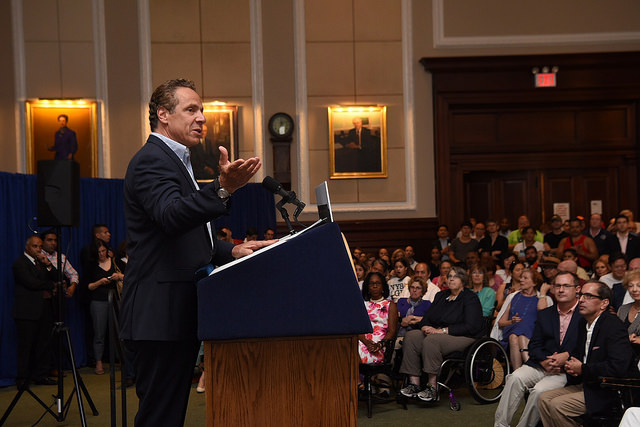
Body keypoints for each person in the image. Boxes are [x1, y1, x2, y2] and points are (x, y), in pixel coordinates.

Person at [120, 78, 274, 426]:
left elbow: (190, 239)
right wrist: (222, 188)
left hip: (174, 314)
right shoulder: (151, 160)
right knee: (159, 416)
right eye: (191, 109)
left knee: (169, 415)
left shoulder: (178, 161)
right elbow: (171, 216)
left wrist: (232, 251)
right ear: (163, 115)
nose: (201, 117)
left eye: (201, 110)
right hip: (159, 316)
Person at [538, 281, 634, 425]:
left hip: (610, 390)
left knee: (558, 405)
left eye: (588, 296)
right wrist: (569, 366)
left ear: (604, 303)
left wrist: (582, 368)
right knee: (543, 399)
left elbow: (618, 367)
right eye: (581, 295)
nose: (581, 299)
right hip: (589, 384)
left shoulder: (613, 326)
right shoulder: (583, 323)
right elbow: (579, 356)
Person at [494, 271, 582, 427]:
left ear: (577, 289)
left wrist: (565, 358)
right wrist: (544, 360)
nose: (561, 290)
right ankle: (500, 425)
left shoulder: (584, 315)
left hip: (566, 370)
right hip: (540, 364)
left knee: (539, 391)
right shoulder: (546, 314)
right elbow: (534, 345)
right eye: (557, 286)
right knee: (514, 378)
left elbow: (585, 347)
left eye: (566, 286)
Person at [399, 267, 484, 402]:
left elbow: (471, 326)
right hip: (439, 334)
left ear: (463, 280)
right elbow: (428, 317)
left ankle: (432, 388)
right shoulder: (441, 296)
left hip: (464, 336)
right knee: (412, 336)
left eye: (455, 276)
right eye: (449, 276)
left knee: (432, 340)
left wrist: (442, 331)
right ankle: (414, 384)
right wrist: (425, 325)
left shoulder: (470, 298)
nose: (451, 278)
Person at [12, 236, 58, 387]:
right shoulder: (20, 264)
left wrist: (48, 265)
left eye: (39, 246)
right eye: (35, 246)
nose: (38, 249)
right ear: (27, 248)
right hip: (27, 312)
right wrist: (50, 284)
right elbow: (31, 283)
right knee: (26, 346)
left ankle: (41, 375)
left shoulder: (42, 263)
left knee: (43, 344)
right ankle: (23, 379)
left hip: (45, 309)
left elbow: (58, 277)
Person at [86, 239, 124, 375]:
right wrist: (99, 282)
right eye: (99, 252)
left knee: (120, 332)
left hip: (116, 301)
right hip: (98, 301)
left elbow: (128, 277)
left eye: (103, 251)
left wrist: (118, 276)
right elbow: (88, 286)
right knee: (99, 333)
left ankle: (122, 360)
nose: (102, 254)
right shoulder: (91, 266)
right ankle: (99, 362)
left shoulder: (116, 262)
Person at [497, 269, 543, 369]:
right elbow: (500, 323)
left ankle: (520, 372)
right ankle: (526, 369)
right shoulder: (513, 297)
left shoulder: (540, 299)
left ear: (534, 283)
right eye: (521, 277)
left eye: (525, 278)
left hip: (531, 335)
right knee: (514, 336)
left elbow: (544, 321)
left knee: (517, 337)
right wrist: (511, 321)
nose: (521, 280)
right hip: (511, 330)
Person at [358, 272, 398, 364]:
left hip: (379, 344)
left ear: (383, 286)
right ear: (367, 287)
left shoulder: (390, 305)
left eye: (378, 283)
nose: (374, 286)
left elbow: (392, 332)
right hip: (363, 341)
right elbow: (358, 329)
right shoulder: (363, 305)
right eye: (372, 283)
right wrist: (366, 342)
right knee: (348, 348)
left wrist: (380, 344)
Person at [41, 229, 78, 298]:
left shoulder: (61, 257)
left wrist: (73, 286)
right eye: (49, 240)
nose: (53, 243)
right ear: (42, 242)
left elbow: (73, 274)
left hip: (58, 296)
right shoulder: (38, 256)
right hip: (43, 296)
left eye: (55, 240)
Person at [617, 270, 640, 346]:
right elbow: (614, 334)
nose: (634, 289)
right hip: (622, 353)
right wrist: (626, 338)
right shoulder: (623, 309)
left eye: (639, 285)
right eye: (630, 286)